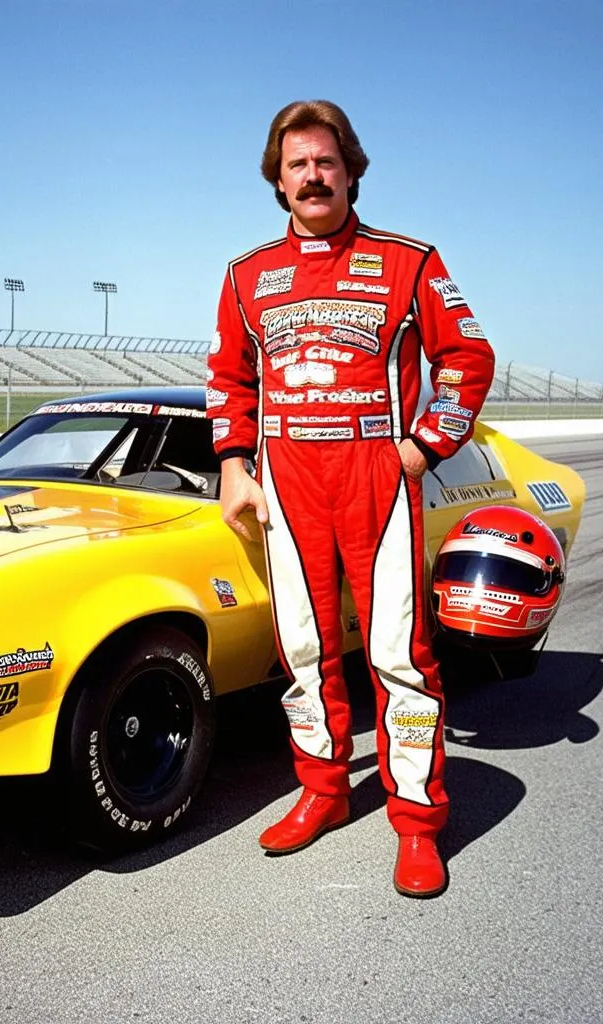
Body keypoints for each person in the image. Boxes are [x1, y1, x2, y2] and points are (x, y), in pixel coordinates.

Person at [207, 100, 495, 897]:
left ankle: (417, 820)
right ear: (278, 180)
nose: (311, 175)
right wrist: (235, 464)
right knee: (302, 652)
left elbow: (468, 357)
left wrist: (422, 446)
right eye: (296, 164)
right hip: (288, 483)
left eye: (325, 162)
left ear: (351, 170)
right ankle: (325, 791)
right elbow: (229, 380)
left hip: (378, 478)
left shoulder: (408, 262)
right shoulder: (245, 276)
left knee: (400, 657)